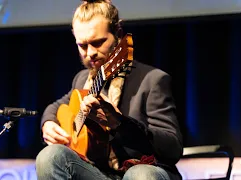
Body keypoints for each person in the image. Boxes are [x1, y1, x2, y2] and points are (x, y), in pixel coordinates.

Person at [35, 0, 183, 179]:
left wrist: (120, 123)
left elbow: (173, 147)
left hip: (142, 170)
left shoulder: (153, 80)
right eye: (82, 46)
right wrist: (48, 123)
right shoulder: (82, 79)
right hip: (100, 174)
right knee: (50, 156)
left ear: (118, 34)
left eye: (98, 43)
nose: (90, 53)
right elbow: (57, 106)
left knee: (141, 174)